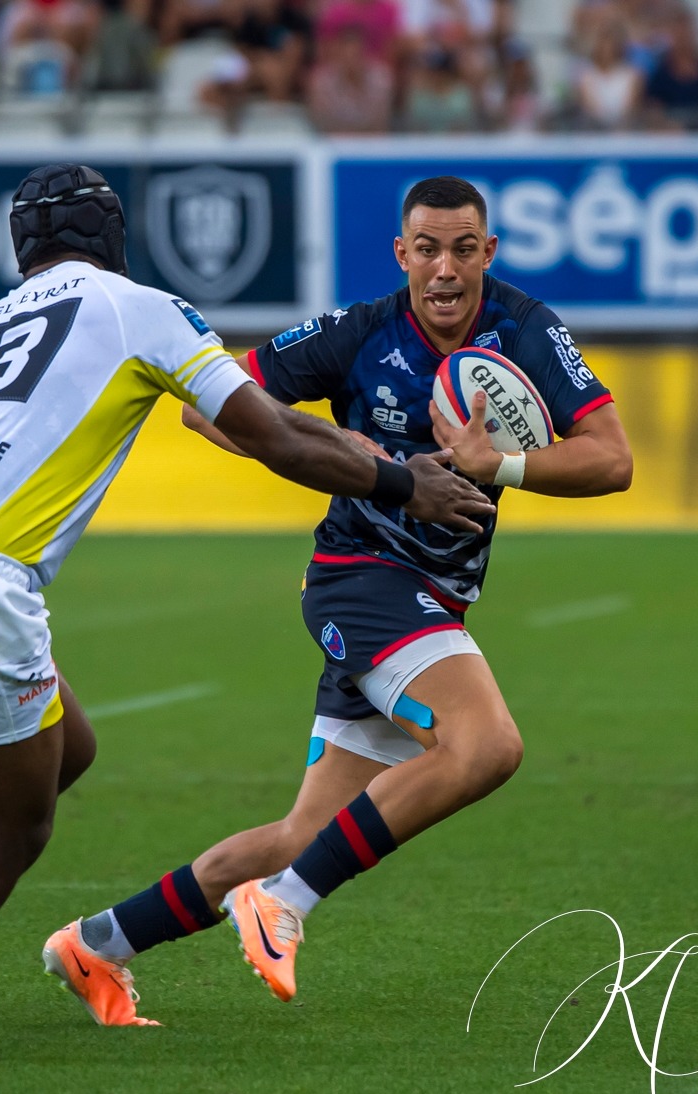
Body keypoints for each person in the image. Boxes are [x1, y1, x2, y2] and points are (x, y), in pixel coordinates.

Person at [0, 163, 495, 1066]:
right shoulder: (134, 305)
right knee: (12, 828)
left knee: (63, 748)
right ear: (111, 236)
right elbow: (269, 431)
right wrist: (402, 481)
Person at [43, 175, 633, 1026]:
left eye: (464, 249)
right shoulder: (359, 333)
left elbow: (611, 459)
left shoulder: (527, 331)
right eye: (426, 249)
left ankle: (97, 943)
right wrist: (347, 443)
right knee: (486, 746)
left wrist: (493, 464)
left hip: (435, 601)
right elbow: (208, 413)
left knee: (301, 832)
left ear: (488, 253)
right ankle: (283, 902)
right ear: (402, 254)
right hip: (362, 584)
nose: (444, 269)